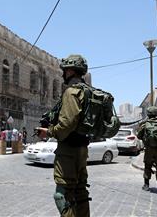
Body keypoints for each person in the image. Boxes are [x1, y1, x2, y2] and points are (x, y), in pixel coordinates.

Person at [36, 55, 91, 217]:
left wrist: (49, 131)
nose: (63, 74)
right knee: (80, 192)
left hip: (68, 151)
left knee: (62, 195)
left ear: (71, 71)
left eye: (65, 70)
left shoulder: (72, 92)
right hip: (82, 148)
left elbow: (67, 123)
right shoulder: (87, 92)